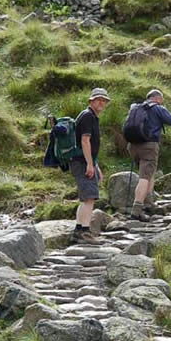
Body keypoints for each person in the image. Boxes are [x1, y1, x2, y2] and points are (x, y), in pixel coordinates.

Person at [127, 89, 171, 222]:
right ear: (157, 98)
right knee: (144, 177)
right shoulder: (157, 108)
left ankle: (148, 203)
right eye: (162, 100)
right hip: (149, 146)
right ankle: (136, 211)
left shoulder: (135, 108)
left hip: (132, 146)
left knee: (149, 173)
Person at [70, 87, 110, 245]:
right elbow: (85, 141)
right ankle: (85, 233)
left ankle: (78, 231)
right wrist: (89, 164)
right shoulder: (88, 116)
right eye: (98, 100)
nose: (101, 103)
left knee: (85, 197)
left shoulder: (89, 116)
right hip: (82, 161)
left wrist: (95, 165)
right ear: (91, 101)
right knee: (89, 197)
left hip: (82, 160)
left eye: (104, 100)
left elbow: (90, 145)